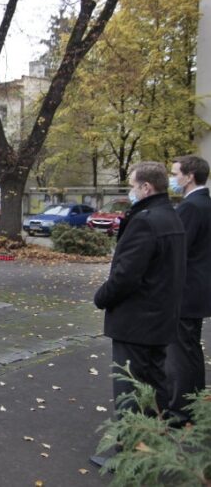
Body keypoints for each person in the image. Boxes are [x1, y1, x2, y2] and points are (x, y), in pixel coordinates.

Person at [91, 162, 185, 466]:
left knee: (129, 388)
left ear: (146, 187)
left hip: (136, 322)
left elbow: (126, 276)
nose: (130, 190)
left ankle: (129, 456)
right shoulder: (170, 215)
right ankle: (153, 447)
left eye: (132, 184)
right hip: (160, 318)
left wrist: (101, 297)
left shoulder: (145, 221)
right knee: (155, 384)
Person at [165, 155, 211, 425]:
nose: (173, 178)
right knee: (190, 350)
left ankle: (180, 411)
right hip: (198, 289)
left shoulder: (191, 208)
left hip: (185, 291)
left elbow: (177, 250)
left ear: (190, 175)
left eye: (175, 173)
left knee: (180, 353)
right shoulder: (205, 204)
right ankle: (194, 403)